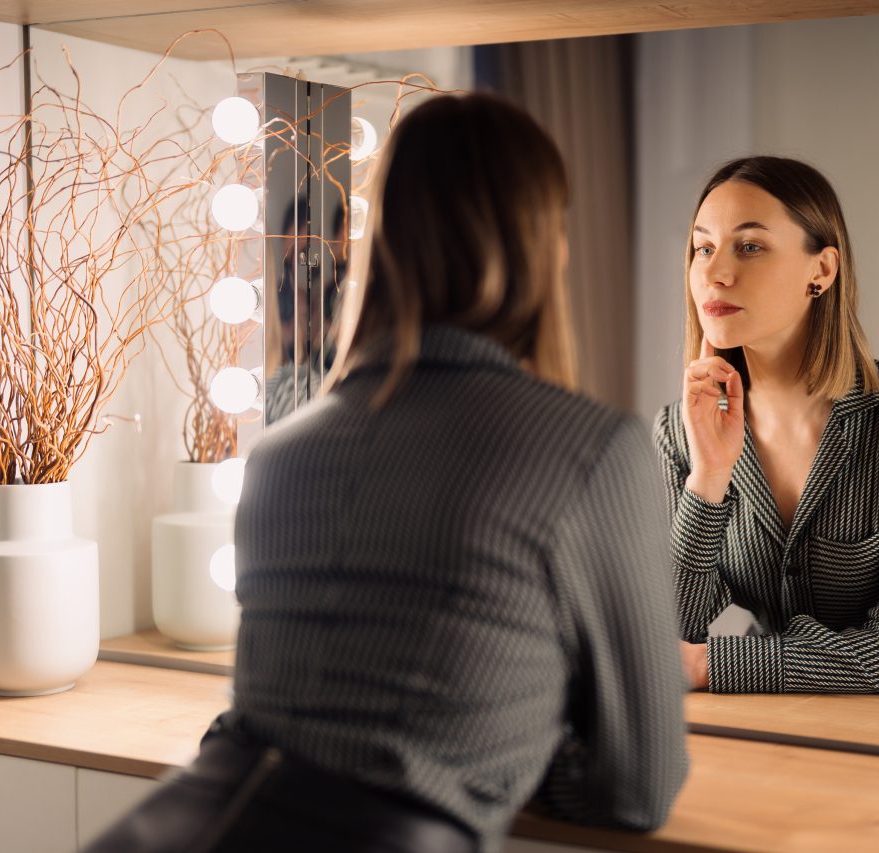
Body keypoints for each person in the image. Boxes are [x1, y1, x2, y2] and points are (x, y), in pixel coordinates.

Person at [89, 93, 688, 853]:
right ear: (542, 245)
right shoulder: (591, 448)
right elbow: (637, 785)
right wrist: (496, 753)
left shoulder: (281, 452)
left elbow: (263, 721)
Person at [654, 156, 879, 697]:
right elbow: (667, 632)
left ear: (822, 271)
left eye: (751, 245)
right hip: (785, 717)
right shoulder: (679, 430)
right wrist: (708, 478)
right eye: (702, 247)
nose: (715, 272)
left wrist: (707, 666)